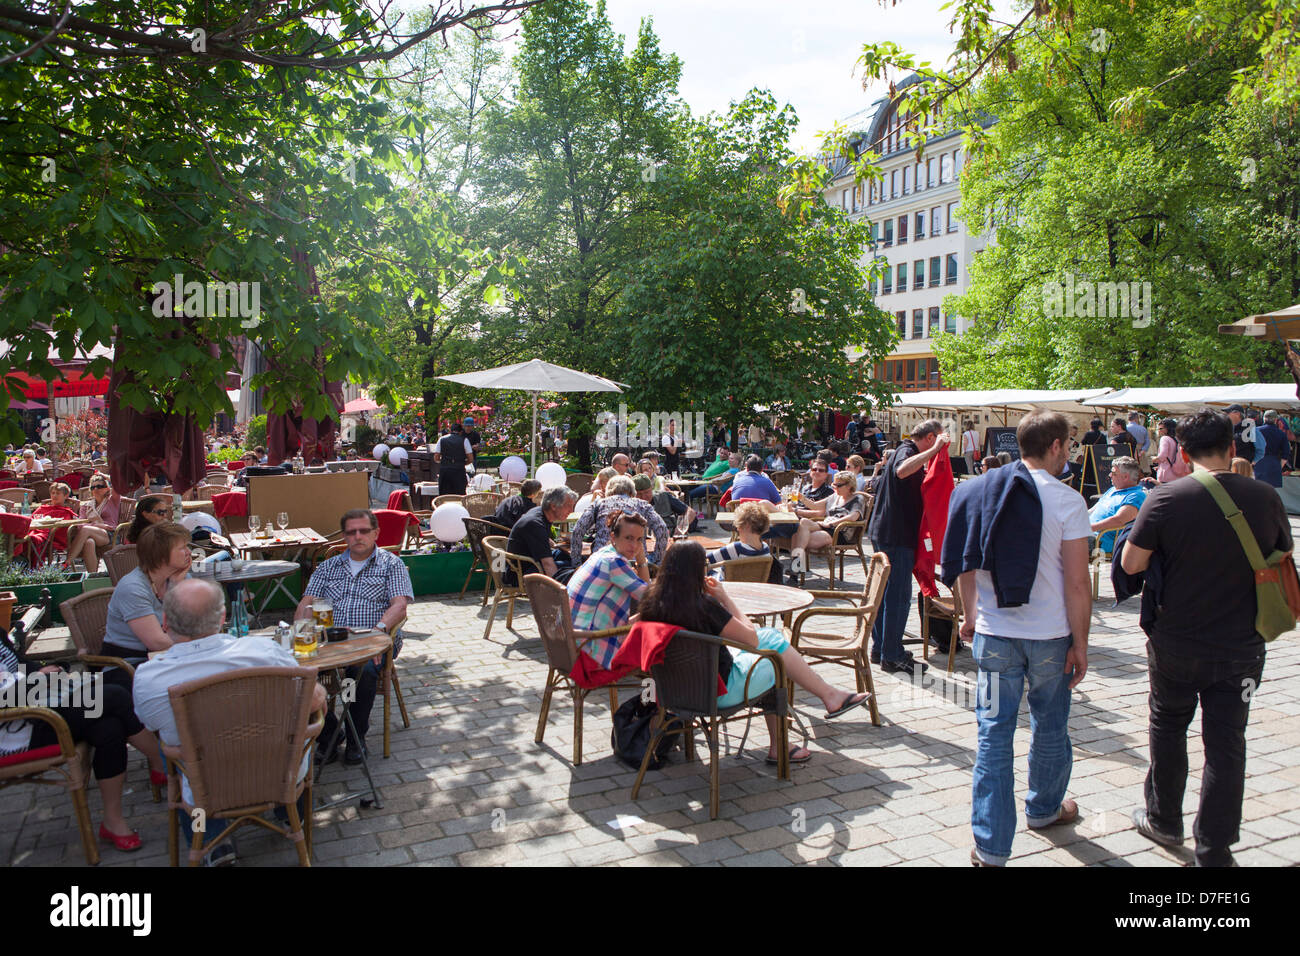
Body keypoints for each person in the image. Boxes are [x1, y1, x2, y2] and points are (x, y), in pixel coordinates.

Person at [1121, 408, 1291, 867]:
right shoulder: (1264, 496)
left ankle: (1164, 819)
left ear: (1183, 452)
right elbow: (1282, 555)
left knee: (1168, 727)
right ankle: (1215, 849)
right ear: (1233, 448)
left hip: (1175, 639)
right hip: (1241, 643)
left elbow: (1131, 565)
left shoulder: (1166, 498)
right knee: (1227, 742)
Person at [943, 410, 1090, 866]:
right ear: (1055, 446)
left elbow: (965, 563)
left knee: (994, 735)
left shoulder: (976, 491)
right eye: (1068, 444)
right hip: (1049, 634)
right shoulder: (1066, 501)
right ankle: (1044, 809)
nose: (1070, 452)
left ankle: (991, 846)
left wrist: (969, 614)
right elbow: (1078, 584)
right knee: (1049, 725)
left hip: (995, 632)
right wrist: (1081, 643)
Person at [135, 578, 325, 866]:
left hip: (206, 786)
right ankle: (288, 815)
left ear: (164, 621)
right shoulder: (263, 653)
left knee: (170, 745)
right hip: (278, 773)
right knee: (300, 723)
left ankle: (213, 843)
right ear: (223, 618)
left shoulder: (149, 679)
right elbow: (312, 701)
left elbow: (151, 726)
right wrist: (320, 690)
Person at [635, 542, 870, 764]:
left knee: (771, 640)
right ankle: (787, 739)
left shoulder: (650, 602)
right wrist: (725, 598)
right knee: (774, 657)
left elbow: (632, 628)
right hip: (717, 693)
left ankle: (828, 697)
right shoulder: (703, 606)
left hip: (672, 692)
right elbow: (751, 637)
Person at [1, 639, 164, 853]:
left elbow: (20, 665)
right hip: (22, 732)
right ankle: (164, 765)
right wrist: (40, 679)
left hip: (41, 706)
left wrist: (51, 669)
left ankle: (112, 821)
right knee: (115, 696)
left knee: (110, 727)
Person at [295, 509, 413, 764]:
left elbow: (399, 606)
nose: (357, 536)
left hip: (372, 639)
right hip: (330, 641)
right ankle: (330, 734)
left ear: (376, 533)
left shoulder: (390, 564)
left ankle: (356, 738)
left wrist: (377, 633)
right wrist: (303, 633)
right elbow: (306, 604)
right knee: (294, 674)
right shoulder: (328, 567)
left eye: (363, 531)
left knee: (362, 672)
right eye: (351, 532)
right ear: (344, 536)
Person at [866, 419, 951, 676]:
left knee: (886, 593)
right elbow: (903, 471)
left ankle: (881, 649)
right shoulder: (908, 451)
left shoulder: (902, 450)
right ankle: (893, 655)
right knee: (898, 596)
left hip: (886, 531)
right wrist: (936, 449)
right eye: (938, 439)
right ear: (929, 437)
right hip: (896, 534)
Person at [102, 522, 194, 687]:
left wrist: (176, 587)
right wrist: (198, 643)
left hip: (168, 658)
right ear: (161, 555)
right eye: (182, 548)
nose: (189, 552)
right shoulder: (133, 588)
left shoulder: (179, 578)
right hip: (127, 665)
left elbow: (193, 623)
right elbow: (157, 642)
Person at [566, 512, 651, 653]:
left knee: (647, 614)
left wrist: (640, 559)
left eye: (639, 539)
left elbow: (645, 591)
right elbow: (650, 597)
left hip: (570, 644)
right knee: (661, 618)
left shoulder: (603, 553)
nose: (635, 545)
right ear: (613, 537)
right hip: (589, 650)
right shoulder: (614, 562)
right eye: (629, 538)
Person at [569, 476, 669, 567]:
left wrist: (576, 563)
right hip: (635, 563)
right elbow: (662, 529)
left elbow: (578, 531)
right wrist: (656, 560)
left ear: (609, 491)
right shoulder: (642, 505)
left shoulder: (599, 504)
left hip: (602, 562)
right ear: (632, 492)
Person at [787, 471, 864, 577]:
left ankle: (795, 569)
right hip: (826, 526)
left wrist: (833, 523)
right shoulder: (835, 496)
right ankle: (797, 567)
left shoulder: (857, 499)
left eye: (838, 485)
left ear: (849, 486)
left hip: (839, 532)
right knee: (802, 523)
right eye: (834, 484)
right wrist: (801, 497)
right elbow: (814, 505)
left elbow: (853, 517)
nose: (835, 487)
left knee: (797, 536)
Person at [508, 486, 579, 585]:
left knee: (574, 557)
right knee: (576, 568)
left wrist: (554, 544)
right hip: (521, 573)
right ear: (553, 505)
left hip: (532, 561)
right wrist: (559, 590)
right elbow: (547, 564)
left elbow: (541, 539)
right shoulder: (535, 523)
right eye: (568, 505)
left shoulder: (540, 513)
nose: (571, 511)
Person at [1087, 456, 1147, 555]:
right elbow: (1091, 511)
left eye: (1114, 473)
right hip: (1089, 534)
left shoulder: (1136, 495)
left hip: (1101, 540)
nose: (1110, 475)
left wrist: (1088, 528)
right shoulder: (1113, 490)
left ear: (1125, 477)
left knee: (1062, 542)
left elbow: (1119, 520)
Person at [67, 474, 121, 573]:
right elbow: (80, 525)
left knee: (86, 530)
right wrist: (98, 525)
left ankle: (67, 562)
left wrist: (104, 476)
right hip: (92, 533)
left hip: (111, 534)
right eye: (93, 487)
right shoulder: (86, 506)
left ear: (107, 488)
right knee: (89, 542)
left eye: (100, 486)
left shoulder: (112, 500)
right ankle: (93, 575)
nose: (96, 489)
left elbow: (117, 484)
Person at [705, 502, 775, 576]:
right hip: (754, 585)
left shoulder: (736, 548)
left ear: (746, 526)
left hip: (727, 585)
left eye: (738, 525)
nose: (737, 529)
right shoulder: (765, 548)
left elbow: (706, 560)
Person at [19, 482, 79, 563]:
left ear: (65, 496)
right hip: (35, 532)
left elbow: (62, 528)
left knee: (33, 540)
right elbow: (31, 520)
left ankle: (34, 566)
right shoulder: (42, 508)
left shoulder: (66, 512)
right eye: (53, 493)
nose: (54, 496)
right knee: (19, 539)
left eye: (58, 493)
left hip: (52, 538)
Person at [434, 422, 473, 496]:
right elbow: (470, 459)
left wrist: (444, 462)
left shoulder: (441, 439)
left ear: (450, 431)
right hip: (459, 471)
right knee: (459, 495)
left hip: (445, 471)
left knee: (444, 495)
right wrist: (462, 463)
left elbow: (436, 457)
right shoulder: (464, 440)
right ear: (461, 432)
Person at [1253, 410, 1289, 488]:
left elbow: (1249, 448)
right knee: (1271, 492)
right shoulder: (1281, 434)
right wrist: (1279, 466)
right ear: (1276, 420)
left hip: (1258, 463)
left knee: (1256, 490)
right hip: (1274, 464)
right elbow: (1286, 454)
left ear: (1264, 419)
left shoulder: (1256, 430)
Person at [1154, 419, 1188, 483]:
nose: (1159, 431)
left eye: (1161, 428)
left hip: (1166, 474)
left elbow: (1162, 456)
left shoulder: (1165, 438)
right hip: (1179, 473)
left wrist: (1154, 459)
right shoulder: (1179, 439)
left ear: (1168, 428)